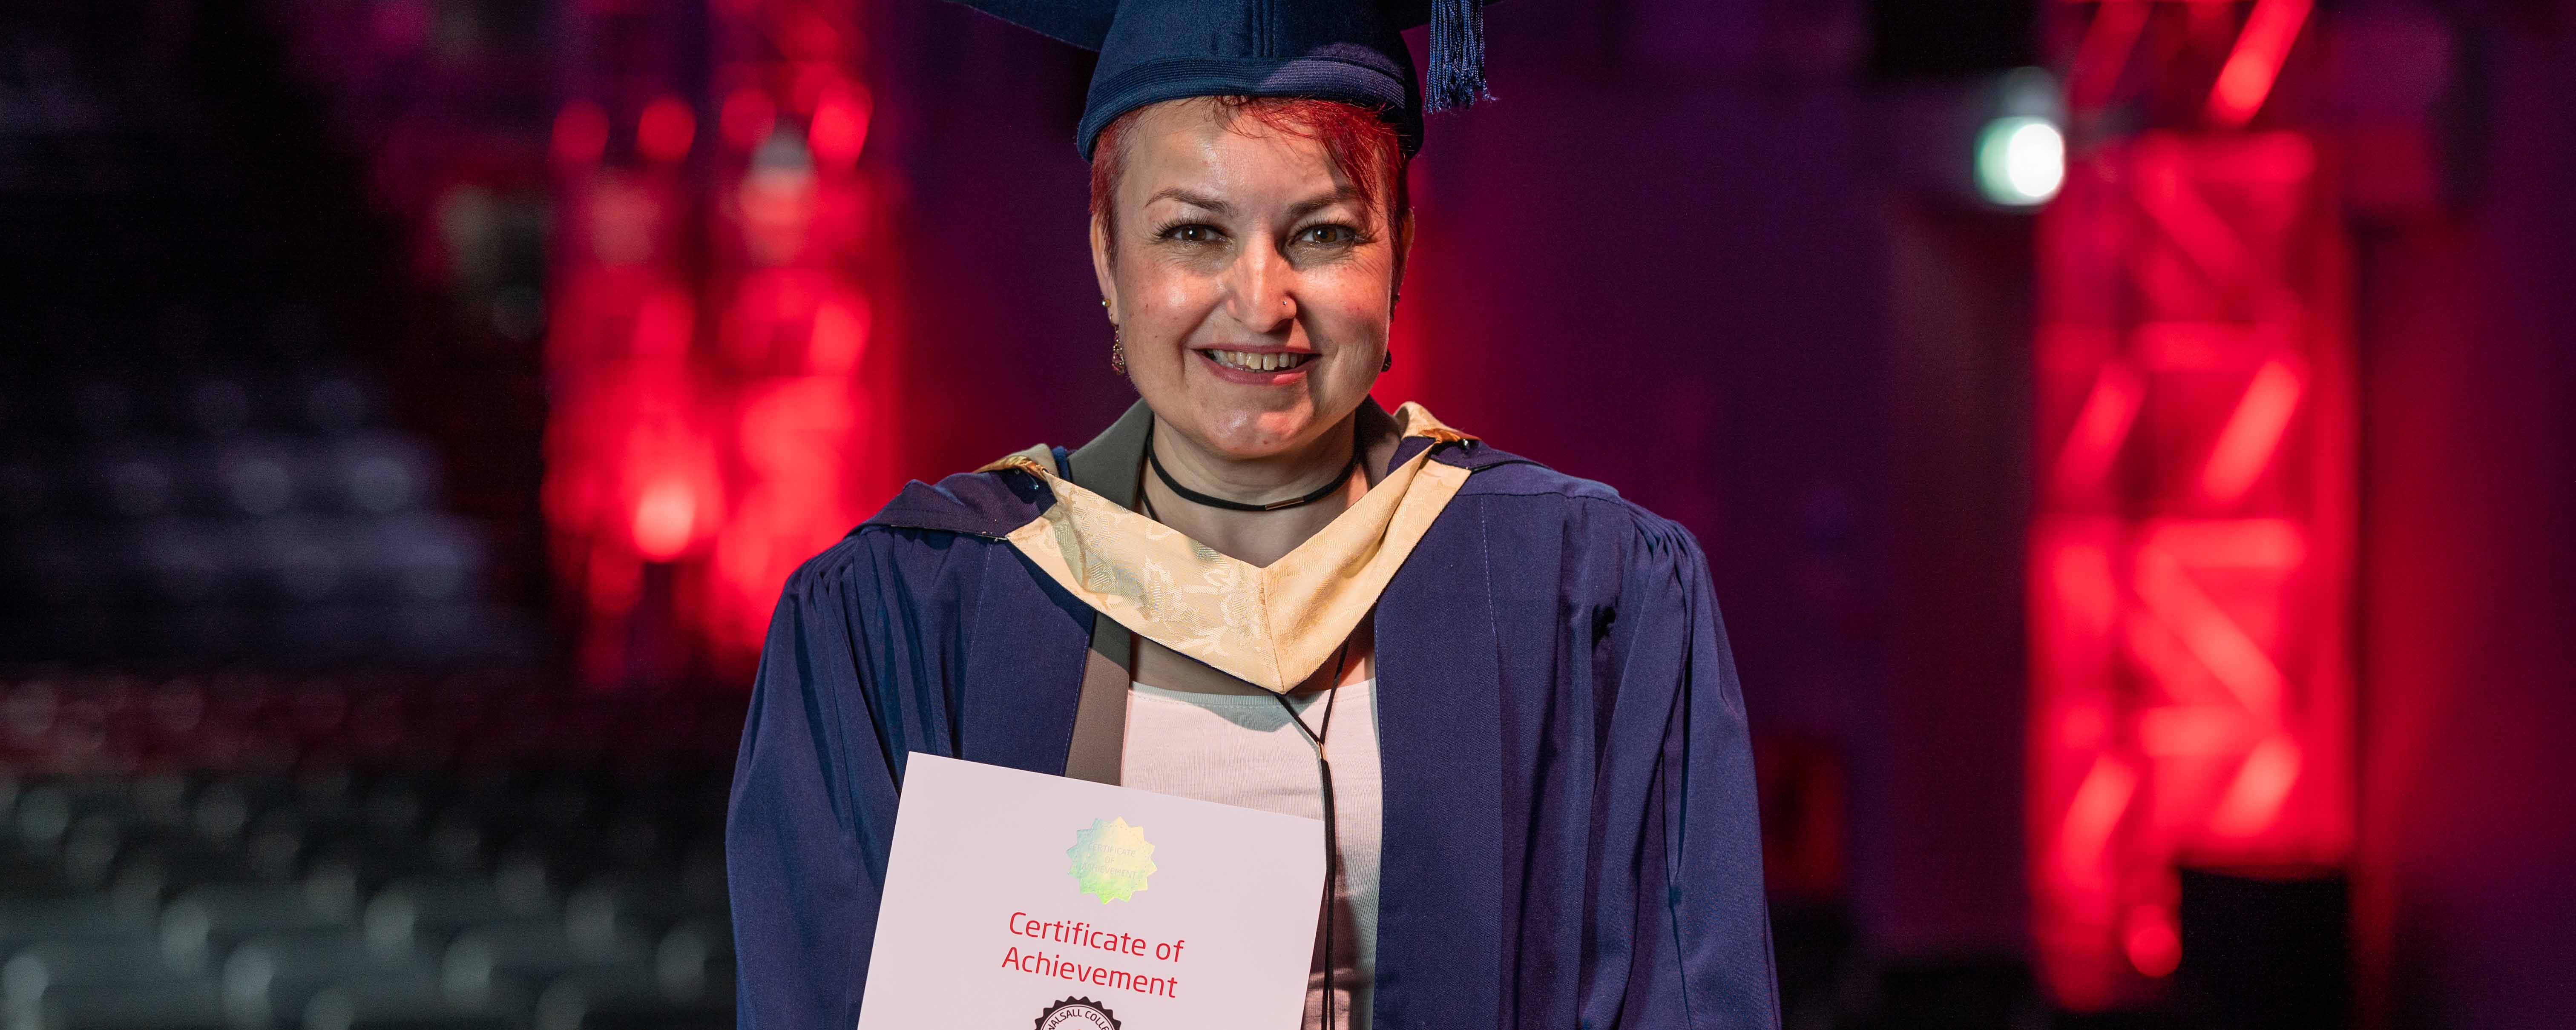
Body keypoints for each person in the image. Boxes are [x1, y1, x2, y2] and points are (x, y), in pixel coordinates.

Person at [726, 0, 1781, 1027]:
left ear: (1401, 250)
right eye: (1192, 232)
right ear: (1105, 253)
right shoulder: (900, 615)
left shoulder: (1593, 594)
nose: (1260, 299)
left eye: (1323, 234)